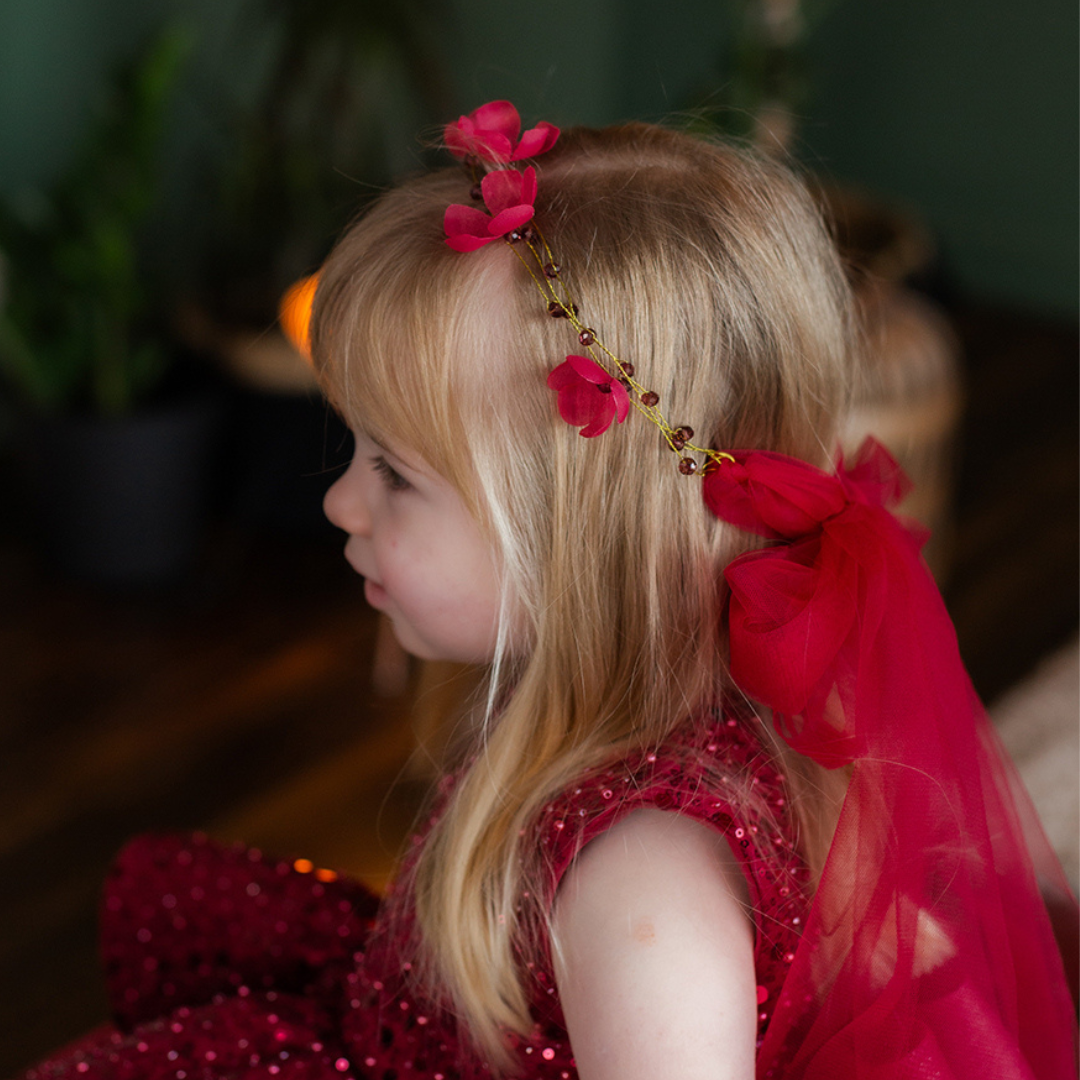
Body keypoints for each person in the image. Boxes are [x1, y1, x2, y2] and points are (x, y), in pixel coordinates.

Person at [25, 103, 1076, 1080]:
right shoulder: (588, 715)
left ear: (585, 535)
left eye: (394, 472)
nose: (342, 503)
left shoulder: (646, 891)